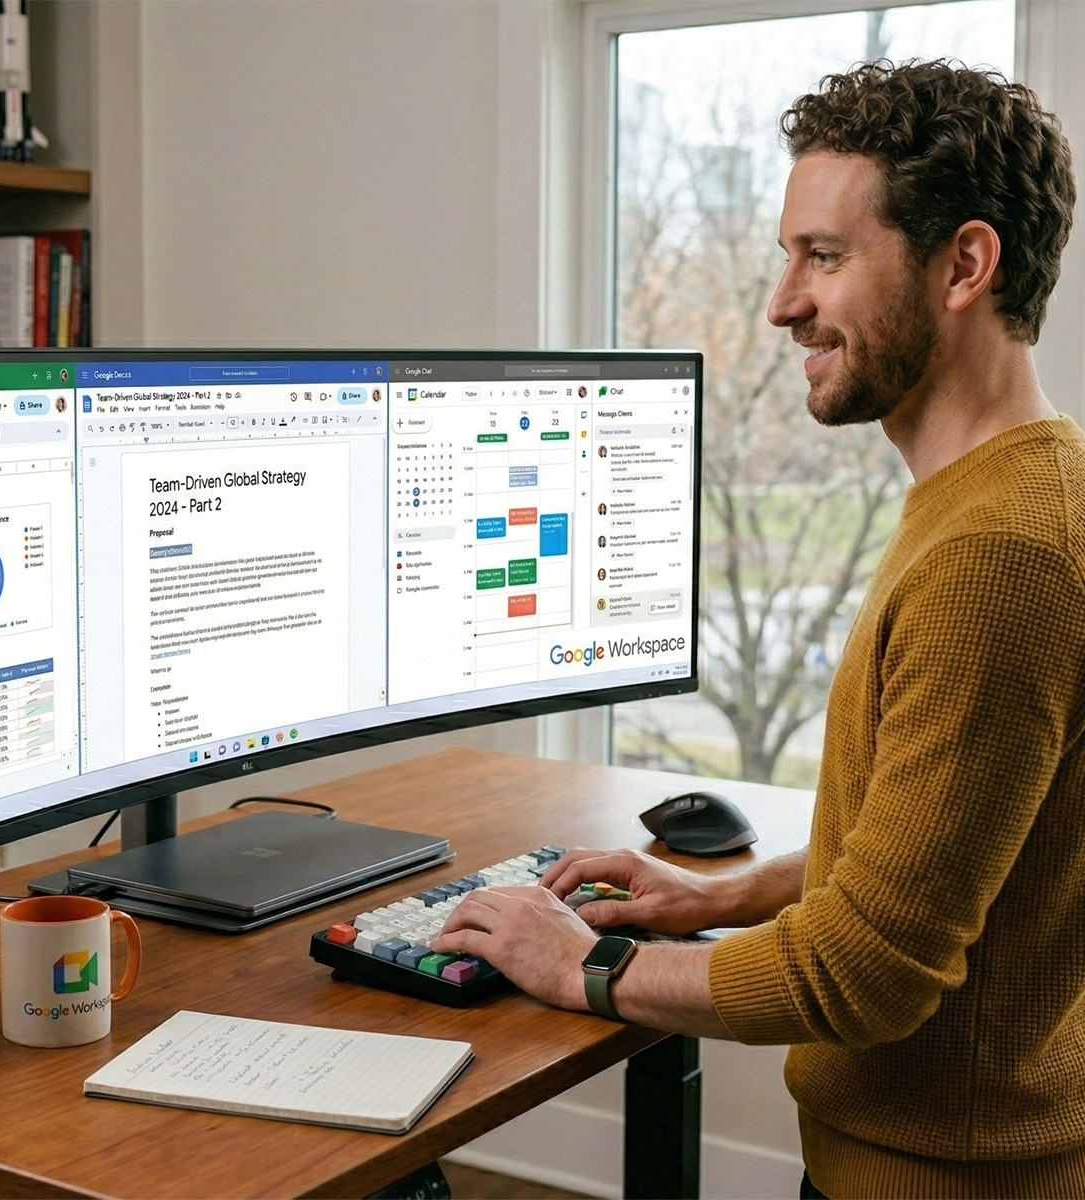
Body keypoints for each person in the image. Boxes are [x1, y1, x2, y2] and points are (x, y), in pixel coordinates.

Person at [435, 60, 1083, 1198]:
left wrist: (586, 963)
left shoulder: (998, 559)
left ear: (964, 266)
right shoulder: (1021, 493)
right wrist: (725, 894)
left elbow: (869, 975)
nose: (783, 304)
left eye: (823, 258)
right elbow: (945, 855)